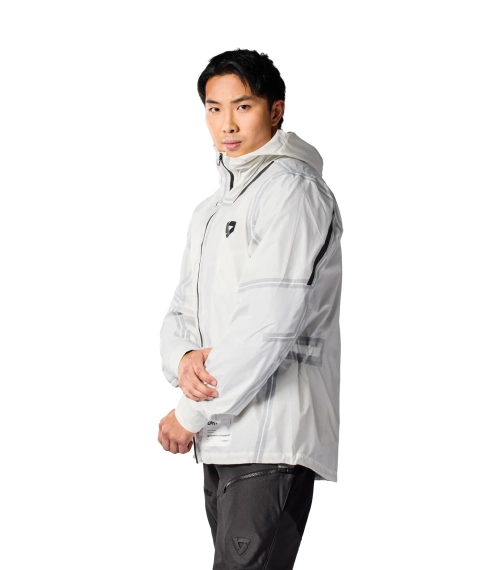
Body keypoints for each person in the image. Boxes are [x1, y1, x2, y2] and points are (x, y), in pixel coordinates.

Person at [157, 48, 343, 569]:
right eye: (214, 109)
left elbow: (267, 323)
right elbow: (180, 312)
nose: (227, 124)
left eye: (243, 106)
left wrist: (188, 412)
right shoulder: (210, 211)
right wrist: (185, 358)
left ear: (275, 110)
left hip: (272, 435)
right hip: (222, 438)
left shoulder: (294, 192)